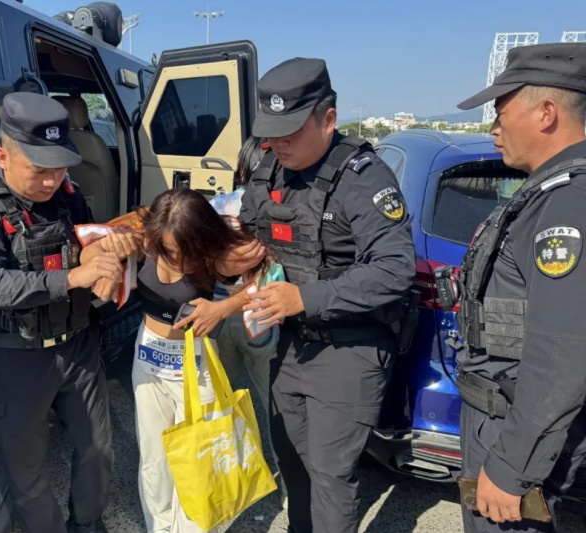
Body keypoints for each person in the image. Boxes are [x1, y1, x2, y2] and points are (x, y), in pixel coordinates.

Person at [237, 57, 417, 533]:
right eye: (271, 134)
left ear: (329, 118)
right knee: (292, 461)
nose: (278, 144)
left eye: (290, 133)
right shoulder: (271, 169)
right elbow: (249, 230)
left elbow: (395, 270)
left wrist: (305, 298)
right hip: (291, 344)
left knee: (330, 475)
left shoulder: (365, 177)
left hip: (349, 349)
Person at [0, 92, 141, 533]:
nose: (52, 180)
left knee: (97, 449)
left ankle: (88, 524)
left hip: (78, 345)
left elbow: (87, 247)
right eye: (39, 169)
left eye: (60, 167)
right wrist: (72, 278)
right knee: (27, 471)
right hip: (17, 358)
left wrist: (111, 253)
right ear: (3, 156)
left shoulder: (68, 198)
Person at [450, 41, 586, 532]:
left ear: (547, 113)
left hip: (525, 439)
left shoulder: (568, 204)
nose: (493, 127)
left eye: (501, 112)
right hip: (512, 423)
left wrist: (512, 467)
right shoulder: (547, 192)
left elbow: (562, 352)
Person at [130, 187, 268, 533]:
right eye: (168, 250)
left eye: (185, 251)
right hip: (147, 357)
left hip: (194, 362)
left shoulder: (220, 253)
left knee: (202, 458)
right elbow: (92, 244)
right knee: (154, 459)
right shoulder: (145, 237)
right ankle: (159, 528)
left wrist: (224, 307)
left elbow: (268, 280)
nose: (176, 258)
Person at [209, 134, 288, 508]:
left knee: (220, 400)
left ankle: (227, 480)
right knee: (274, 403)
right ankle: (290, 487)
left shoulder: (216, 206)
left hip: (217, 307)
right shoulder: (278, 207)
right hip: (260, 313)